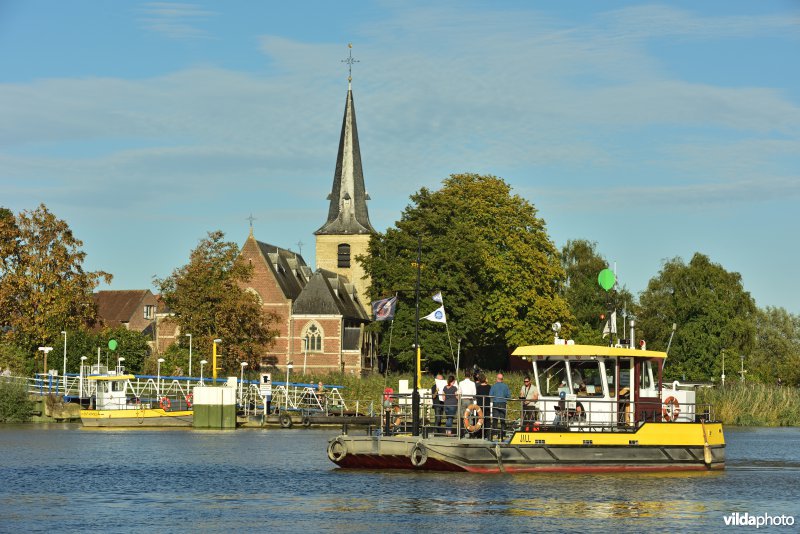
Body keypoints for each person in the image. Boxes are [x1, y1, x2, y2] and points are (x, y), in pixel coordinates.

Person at [475, 373, 491, 438]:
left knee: (479, 420)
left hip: (480, 406)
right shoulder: (489, 387)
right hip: (487, 405)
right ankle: (487, 434)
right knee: (487, 420)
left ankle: (479, 434)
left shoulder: (478, 387)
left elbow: (476, 396)